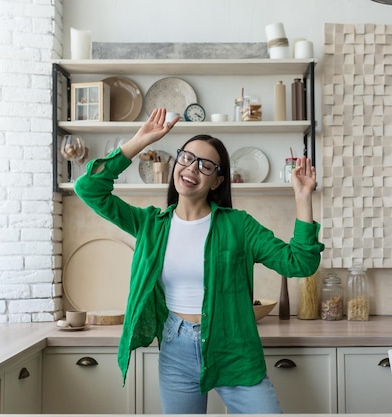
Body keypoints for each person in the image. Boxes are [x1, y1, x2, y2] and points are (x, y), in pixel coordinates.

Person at [74, 108, 324, 414]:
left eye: (206, 165)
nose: (192, 168)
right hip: (175, 348)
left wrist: (302, 197)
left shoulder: (239, 226)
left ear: (217, 181)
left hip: (233, 347)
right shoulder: (151, 224)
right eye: (187, 158)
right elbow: (88, 189)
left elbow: (299, 263)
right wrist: (139, 140)